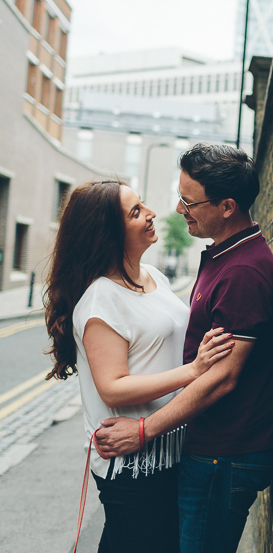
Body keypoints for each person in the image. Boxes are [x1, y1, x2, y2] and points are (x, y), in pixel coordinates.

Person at [95, 144, 273, 553]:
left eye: (189, 200)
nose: (179, 209)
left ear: (228, 206)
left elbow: (222, 378)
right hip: (210, 449)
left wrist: (143, 430)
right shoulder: (223, 255)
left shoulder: (243, 272)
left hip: (225, 456)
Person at [44, 180, 235, 553]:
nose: (151, 214)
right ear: (109, 233)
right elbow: (112, 386)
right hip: (132, 468)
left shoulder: (154, 278)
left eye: (143, 204)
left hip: (167, 451)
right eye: (135, 212)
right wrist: (194, 371)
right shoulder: (101, 300)